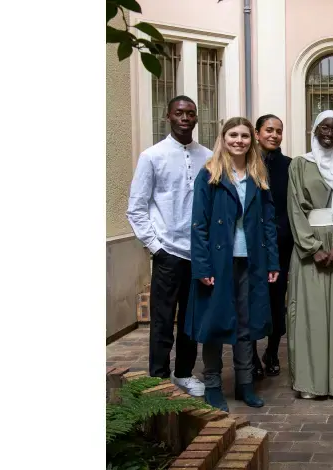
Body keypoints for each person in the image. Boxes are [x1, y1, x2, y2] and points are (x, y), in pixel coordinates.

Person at [185, 117, 280, 411]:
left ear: (251, 140)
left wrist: (272, 261)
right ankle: (212, 385)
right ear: (224, 138)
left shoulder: (257, 174)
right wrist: (201, 267)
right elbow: (198, 224)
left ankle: (245, 384)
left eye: (244, 136)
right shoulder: (210, 174)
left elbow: (268, 222)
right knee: (213, 324)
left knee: (245, 324)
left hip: (251, 260)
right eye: (233, 135)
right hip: (217, 262)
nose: (239, 141)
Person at [126, 95, 210, 397]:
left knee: (190, 320)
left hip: (198, 253)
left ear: (196, 118)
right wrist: (155, 247)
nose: (185, 118)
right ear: (168, 116)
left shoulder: (209, 156)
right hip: (167, 253)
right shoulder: (152, 156)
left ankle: (184, 373)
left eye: (190, 113)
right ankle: (158, 378)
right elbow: (137, 207)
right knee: (162, 319)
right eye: (179, 113)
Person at [286, 110, 333, 399]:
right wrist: (312, 248)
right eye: (323, 128)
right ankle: (311, 383)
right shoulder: (300, 164)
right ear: (314, 130)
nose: (329, 134)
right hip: (310, 246)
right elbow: (295, 209)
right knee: (310, 314)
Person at [250, 114, 291, 381]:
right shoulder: (245, 163)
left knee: (278, 300)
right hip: (252, 243)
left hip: (282, 242)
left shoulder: (289, 165)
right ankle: (251, 356)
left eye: (278, 131)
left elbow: (292, 204)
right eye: (269, 130)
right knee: (252, 300)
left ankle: (273, 351)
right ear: (257, 133)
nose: (274, 135)